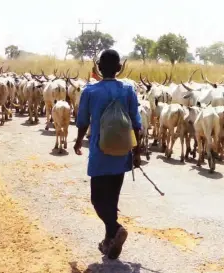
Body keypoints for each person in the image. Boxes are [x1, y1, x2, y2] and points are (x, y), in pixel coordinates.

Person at [74, 49, 142, 260]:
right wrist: (137, 152)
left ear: (99, 68)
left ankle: (115, 228)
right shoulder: (128, 90)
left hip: (100, 152)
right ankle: (108, 243)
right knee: (112, 199)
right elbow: (136, 123)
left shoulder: (90, 91)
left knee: (97, 199)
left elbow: (83, 121)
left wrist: (77, 142)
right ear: (120, 68)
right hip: (122, 152)